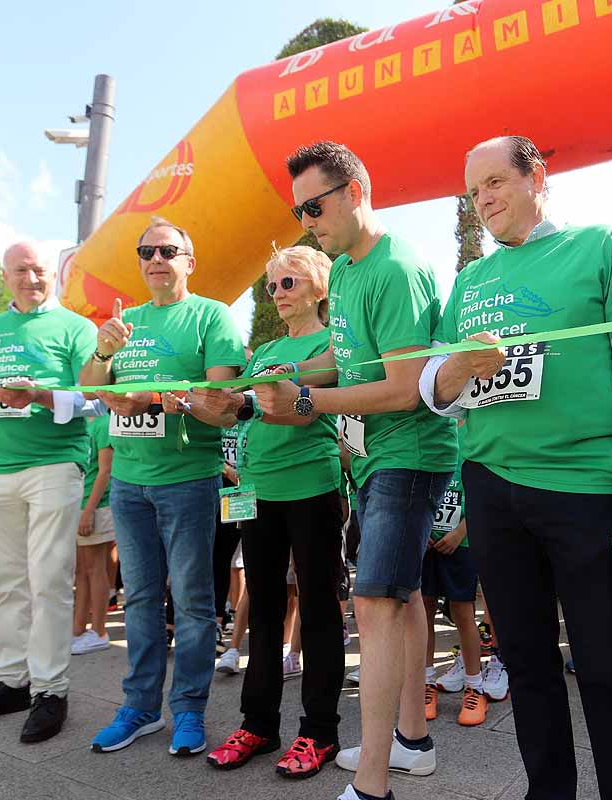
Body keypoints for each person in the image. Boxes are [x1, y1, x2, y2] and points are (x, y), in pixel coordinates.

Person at [421, 135, 612, 800]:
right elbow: (439, 393)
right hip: (492, 491)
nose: (482, 199)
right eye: (473, 190)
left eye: (494, 182)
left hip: (584, 492)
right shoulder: (470, 282)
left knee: (604, 667)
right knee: (528, 667)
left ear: (536, 176)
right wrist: (453, 369)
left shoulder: (599, 248)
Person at [252, 141, 457, 800]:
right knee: (403, 600)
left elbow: (402, 387)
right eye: (299, 210)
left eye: (314, 205)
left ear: (357, 190)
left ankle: (372, 784)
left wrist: (307, 400)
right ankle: (411, 746)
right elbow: (349, 366)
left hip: (409, 453)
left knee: (373, 604)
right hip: (373, 460)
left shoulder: (395, 268)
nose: (307, 220)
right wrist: (285, 381)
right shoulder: (344, 272)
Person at [82, 218, 246, 757]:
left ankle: (190, 710)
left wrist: (146, 400)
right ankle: (140, 707)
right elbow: (88, 386)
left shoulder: (211, 316)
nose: (156, 258)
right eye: (146, 251)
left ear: (188, 262)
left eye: (168, 250)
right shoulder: (122, 323)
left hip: (188, 481)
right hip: (129, 482)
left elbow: (222, 401)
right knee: (140, 600)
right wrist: (105, 355)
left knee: (195, 604)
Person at [0, 241, 99, 744]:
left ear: (53, 275)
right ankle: (10, 681)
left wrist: (39, 394)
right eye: (21, 270)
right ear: (5, 276)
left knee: (49, 579)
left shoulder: (77, 328)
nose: (31, 278)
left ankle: (51, 690)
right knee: (7, 582)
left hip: (54, 464)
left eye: (39, 270)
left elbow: (97, 401)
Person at [207, 244, 347, 778]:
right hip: (258, 491)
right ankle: (259, 725)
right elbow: (242, 407)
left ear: (318, 287)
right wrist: (212, 403)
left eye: (287, 283)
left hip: (312, 488)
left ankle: (319, 732)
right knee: (263, 612)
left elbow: (333, 375)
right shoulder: (263, 350)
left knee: (317, 611)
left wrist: (283, 376)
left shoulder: (335, 341)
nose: (277, 294)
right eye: (271, 286)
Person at [422, 420, 488, 728]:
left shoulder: (473, 431)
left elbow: (482, 491)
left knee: (463, 611)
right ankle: (425, 683)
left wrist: (461, 531)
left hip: (462, 541)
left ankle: (475, 686)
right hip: (426, 540)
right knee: (423, 611)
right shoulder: (427, 427)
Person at [73, 414, 114, 655]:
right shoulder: (81, 423)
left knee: (95, 567)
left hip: (96, 505)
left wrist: (88, 511)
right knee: (81, 570)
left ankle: (99, 631)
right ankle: (78, 629)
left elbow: (105, 471)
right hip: (78, 503)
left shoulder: (103, 423)